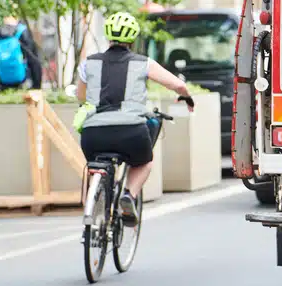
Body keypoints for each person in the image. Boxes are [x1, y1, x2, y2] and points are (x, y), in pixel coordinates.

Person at [76, 12, 194, 225]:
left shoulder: (89, 63)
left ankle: (92, 200)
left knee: (94, 162)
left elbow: (81, 97)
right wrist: (187, 98)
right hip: (131, 131)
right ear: (132, 39)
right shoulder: (143, 62)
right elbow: (178, 85)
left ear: (108, 36)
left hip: (93, 133)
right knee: (144, 162)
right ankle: (129, 195)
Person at [0, 16, 42, 92]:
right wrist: (37, 88)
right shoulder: (22, 32)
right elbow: (34, 62)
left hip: (1, 83)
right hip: (24, 83)